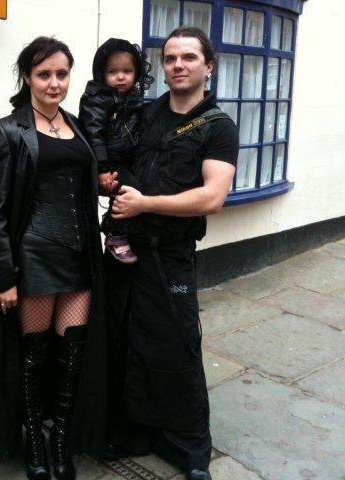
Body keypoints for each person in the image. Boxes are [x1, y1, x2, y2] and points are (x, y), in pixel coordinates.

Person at [0, 37, 107, 480]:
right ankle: (34, 438)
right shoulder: (9, 129)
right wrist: (3, 277)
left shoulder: (75, 126)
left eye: (61, 74)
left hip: (79, 257)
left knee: (72, 353)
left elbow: (81, 188)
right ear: (27, 77)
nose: (54, 83)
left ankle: (61, 440)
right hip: (33, 258)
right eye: (44, 75)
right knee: (33, 357)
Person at [103, 27, 239, 480]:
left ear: (208, 66)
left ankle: (189, 449)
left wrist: (144, 203)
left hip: (170, 256)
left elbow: (211, 198)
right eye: (170, 58)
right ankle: (134, 431)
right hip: (125, 250)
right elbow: (113, 154)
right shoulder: (146, 113)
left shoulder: (217, 126)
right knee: (125, 341)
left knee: (176, 346)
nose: (178, 65)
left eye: (188, 58)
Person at [78, 38, 153, 264]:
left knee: (141, 188)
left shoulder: (134, 98)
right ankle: (116, 234)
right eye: (113, 71)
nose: (120, 77)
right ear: (102, 73)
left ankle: (122, 229)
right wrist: (102, 168)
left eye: (127, 71)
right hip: (108, 161)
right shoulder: (96, 99)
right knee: (130, 190)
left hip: (129, 159)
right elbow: (94, 134)